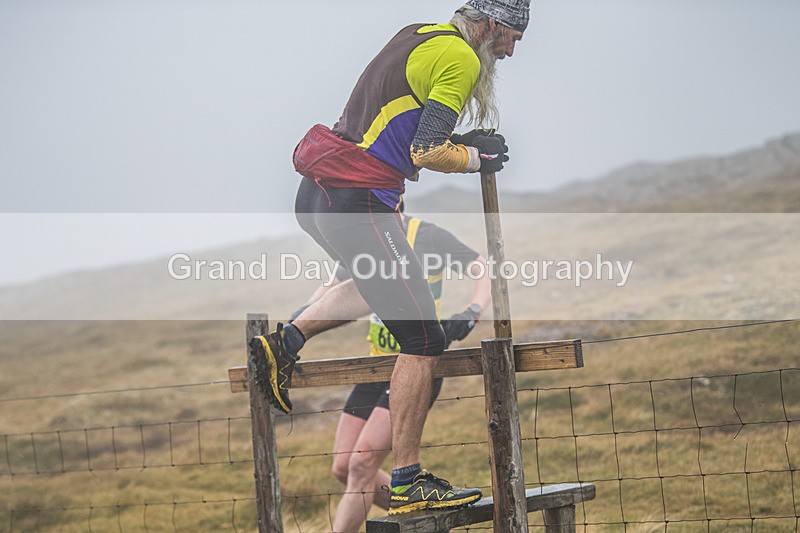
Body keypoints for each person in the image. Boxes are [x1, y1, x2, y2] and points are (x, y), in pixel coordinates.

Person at [250, 0, 529, 516]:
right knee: (423, 337)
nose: (511, 50)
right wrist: (475, 158)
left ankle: (284, 342)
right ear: (492, 24)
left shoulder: (418, 32)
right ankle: (407, 481)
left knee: (375, 283)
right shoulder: (463, 59)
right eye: (512, 37)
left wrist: (461, 138)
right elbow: (425, 151)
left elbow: (397, 124)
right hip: (359, 200)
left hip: (318, 196)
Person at [292, 204, 491, 532]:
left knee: (361, 464)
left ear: (397, 206)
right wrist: (296, 324)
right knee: (345, 468)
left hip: (414, 368)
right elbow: (329, 288)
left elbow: (480, 266)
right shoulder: (366, 243)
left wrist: (472, 310)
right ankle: (426, 517)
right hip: (375, 367)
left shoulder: (426, 236)